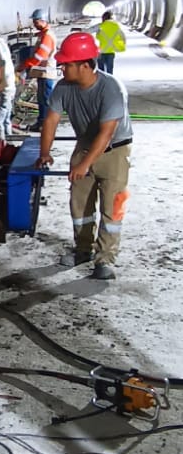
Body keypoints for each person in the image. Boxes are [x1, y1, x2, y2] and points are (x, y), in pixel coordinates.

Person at [35, 31, 132, 282]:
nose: (61, 66)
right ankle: (82, 250)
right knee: (79, 205)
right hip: (85, 146)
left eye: (67, 63)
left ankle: (105, 259)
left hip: (114, 151)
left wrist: (85, 164)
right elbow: (51, 121)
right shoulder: (63, 87)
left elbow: (107, 133)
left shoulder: (111, 88)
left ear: (86, 65)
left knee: (112, 208)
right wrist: (45, 153)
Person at [20, 8, 57, 130]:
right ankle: (41, 122)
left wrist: (25, 64)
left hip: (46, 72)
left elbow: (39, 56)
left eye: (36, 22)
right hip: (42, 73)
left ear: (42, 20)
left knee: (45, 99)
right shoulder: (43, 35)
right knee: (42, 99)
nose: (34, 24)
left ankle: (46, 125)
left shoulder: (47, 36)